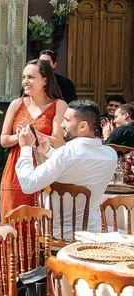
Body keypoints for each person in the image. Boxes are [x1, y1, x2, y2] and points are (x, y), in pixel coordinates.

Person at [15, 100, 117, 236]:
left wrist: (26, 148)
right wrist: (48, 151)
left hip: (57, 234)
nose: (62, 125)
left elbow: (28, 184)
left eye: (67, 120)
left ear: (83, 126)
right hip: (92, 233)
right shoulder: (110, 154)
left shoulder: (67, 153)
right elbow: (76, 168)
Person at [0, 59, 67, 224]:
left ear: (45, 80)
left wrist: (36, 135)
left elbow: (59, 142)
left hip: (44, 168)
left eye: (30, 77)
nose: (25, 82)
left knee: (39, 219)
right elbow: (3, 140)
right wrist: (22, 137)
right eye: (23, 77)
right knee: (13, 216)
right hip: (16, 166)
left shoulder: (59, 105)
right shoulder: (16, 104)